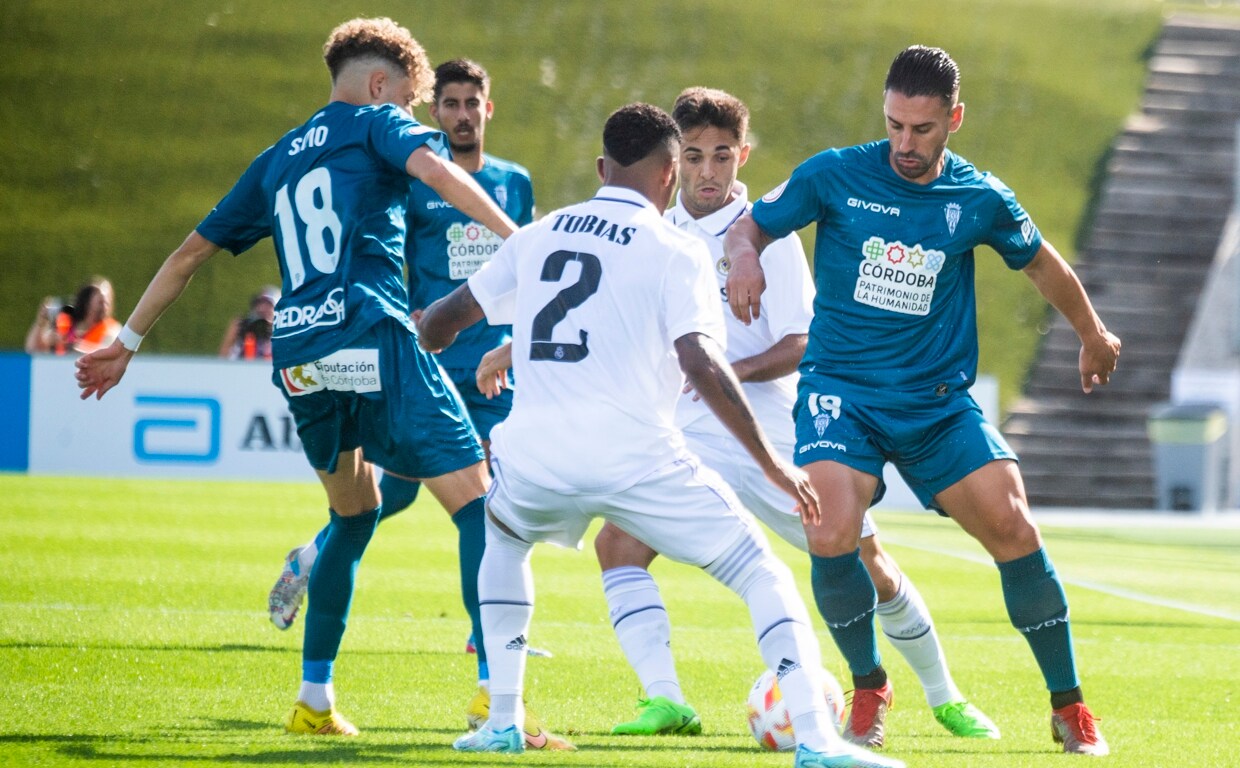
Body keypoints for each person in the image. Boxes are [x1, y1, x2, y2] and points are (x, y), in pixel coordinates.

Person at [75, 17, 523, 740]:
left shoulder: (279, 156)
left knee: (356, 513)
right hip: (373, 331)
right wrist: (519, 238)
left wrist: (125, 343)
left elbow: (190, 253)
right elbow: (438, 174)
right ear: (381, 86)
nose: (410, 117)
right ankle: (494, 695)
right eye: (410, 102)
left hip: (301, 353)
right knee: (480, 505)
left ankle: (314, 700)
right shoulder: (378, 122)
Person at [419, 102, 901, 768]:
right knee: (762, 574)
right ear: (671, 174)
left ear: (600, 168)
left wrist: (430, 340)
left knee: (503, 542)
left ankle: (503, 719)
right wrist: (771, 464)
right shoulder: (675, 249)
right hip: (634, 459)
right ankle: (818, 743)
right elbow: (702, 365)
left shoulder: (539, 235)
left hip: (533, 456)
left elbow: (444, 321)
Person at [522, 85, 994, 741]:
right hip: (689, 434)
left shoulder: (767, 235)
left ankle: (944, 696)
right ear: (672, 160)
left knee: (866, 562)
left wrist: (725, 373)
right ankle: (665, 700)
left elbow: (803, 341)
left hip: (773, 432)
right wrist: (505, 350)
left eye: (722, 156)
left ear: (743, 155)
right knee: (618, 544)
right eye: (694, 157)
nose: (708, 172)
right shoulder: (654, 234)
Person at [724, 45, 1119, 756]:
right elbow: (749, 223)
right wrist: (746, 256)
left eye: (922, 130)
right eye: (895, 125)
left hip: (936, 405)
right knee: (828, 531)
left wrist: (1091, 333)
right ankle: (869, 685)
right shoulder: (834, 173)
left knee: (1014, 527)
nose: (905, 143)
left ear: (954, 120)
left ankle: (1069, 707)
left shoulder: (978, 197)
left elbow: (1042, 264)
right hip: (843, 396)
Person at [258, 57, 559, 748]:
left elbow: (522, 273)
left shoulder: (514, 183)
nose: (457, 113)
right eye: (446, 102)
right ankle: (491, 674)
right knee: (449, 507)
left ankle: (478, 647)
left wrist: (517, 339)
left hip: (491, 368)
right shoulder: (414, 175)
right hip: (422, 359)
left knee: (471, 506)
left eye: (468, 102)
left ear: (488, 108)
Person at [26, 276, 121, 355]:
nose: (105, 306)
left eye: (107, 302)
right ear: (86, 302)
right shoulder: (66, 323)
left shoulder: (112, 329)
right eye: (101, 302)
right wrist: (41, 322)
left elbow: (107, 354)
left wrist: (71, 345)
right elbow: (33, 349)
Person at [219, 285, 279, 360]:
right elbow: (223, 359)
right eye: (259, 303)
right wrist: (232, 336)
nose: (262, 309)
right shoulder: (244, 330)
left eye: (268, 305)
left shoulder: (284, 333)